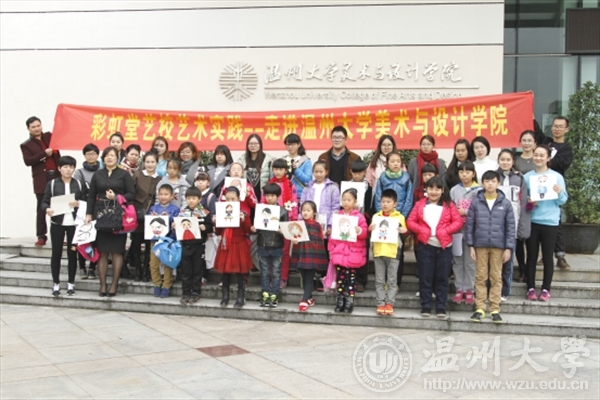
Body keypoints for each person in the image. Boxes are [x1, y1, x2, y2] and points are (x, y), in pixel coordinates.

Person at [407, 176, 463, 320]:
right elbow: (410, 221)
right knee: (425, 277)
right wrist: (422, 230)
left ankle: (441, 306)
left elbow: (458, 222)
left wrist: (445, 231)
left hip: (444, 247)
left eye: (437, 189)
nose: (434, 191)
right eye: (431, 188)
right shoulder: (420, 204)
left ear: (443, 190)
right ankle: (425, 305)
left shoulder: (449, 205)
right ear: (426, 189)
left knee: (442, 278)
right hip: (425, 245)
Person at [85, 147, 135, 297]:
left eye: (112, 155)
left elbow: (131, 194)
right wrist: (88, 214)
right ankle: (102, 285)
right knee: (102, 251)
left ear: (117, 157)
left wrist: (117, 198)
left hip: (118, 215)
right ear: (103, 158)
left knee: (117, 251)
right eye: (107, 155)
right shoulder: (98, 174)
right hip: (100, 214)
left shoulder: (124, 174)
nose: (109, 158)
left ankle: (114, 285)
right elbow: (91, 196)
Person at [467, 171, 515, 324]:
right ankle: (480, 307)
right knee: (480, 276)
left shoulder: (505, 203)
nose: (490, 184)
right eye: (487, 181)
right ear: (482, 183)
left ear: (498, 183)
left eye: (493, 181)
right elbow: (470, 225)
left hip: (498, 246)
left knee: (496, 277)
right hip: (480, 245)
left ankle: (495, 308)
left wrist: (508, 247)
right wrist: (471, 245)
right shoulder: (476, 202)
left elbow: (510, 227)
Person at [524, 145, 568, 302]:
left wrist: (559, 192)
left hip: (550, 222)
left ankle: (545, 289)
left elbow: (563, 200)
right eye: (536, 155)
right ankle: (530, 288)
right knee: (531, 256)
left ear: (548, 158)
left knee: (548, 257)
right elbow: (524, 204)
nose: (538, 158)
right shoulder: (527, 177)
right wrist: (530, 203)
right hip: (533, 221)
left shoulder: (556, 177)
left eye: (542, 155)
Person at [41, 156, 86, 296]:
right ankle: (56, 283)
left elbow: (86, 200)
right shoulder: (52, 184)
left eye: (71, 167)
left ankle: (71, 282)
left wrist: (79, 203)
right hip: (57, 223)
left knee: (73, 253)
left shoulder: (79, 184)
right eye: (65, 167)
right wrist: (47, 209)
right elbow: (44, 201)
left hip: (74, 224)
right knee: (56, 253)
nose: (68, 170)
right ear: (59, 169)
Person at [20, 116, 61, 246]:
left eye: (38, 125)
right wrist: (44, 154)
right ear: (28, 129)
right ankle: (41, 236)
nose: (37, 129)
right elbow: (28, 161)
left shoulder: (49, 137)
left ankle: (59, 236)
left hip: (56, 175)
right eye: (33, 127)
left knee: (59, 206)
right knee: (42, 207)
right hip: (41, 179)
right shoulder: (26, 145)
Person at [374, 152, 413, 288]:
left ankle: (396, 282)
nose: (395, 164)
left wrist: (402, 216)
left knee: (398, 251)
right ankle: (383, 280)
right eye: (392, 161)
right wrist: (380, 214)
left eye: (398, 161)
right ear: (387, 163)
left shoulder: (406, 178)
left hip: (398, 217)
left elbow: (409, 198)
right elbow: (378, 196)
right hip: (384, 219)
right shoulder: (382, 178)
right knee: (383, 249)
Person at [496, 149, 530, 301]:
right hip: (495, 226)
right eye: (502, 159)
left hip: (512, 225)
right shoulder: (493, 177)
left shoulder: (519, 179)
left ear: (512, 161)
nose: (505, 162)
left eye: (508, 160)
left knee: (508, 261)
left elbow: (524, 204)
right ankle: (494, 288)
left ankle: (505, 290)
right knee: (494, 261)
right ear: (498, 161)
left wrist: (523, 228)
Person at [329, 188, 368, 314]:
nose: (346, 202)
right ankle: (340, 301)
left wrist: (359, 231)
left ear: (355, 201)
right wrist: (331, 249)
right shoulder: (338, 216)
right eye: (344, 199)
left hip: (353, 253)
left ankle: (349, 301)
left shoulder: (359, 217)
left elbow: (365, 233)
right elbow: (332, 237)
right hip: (340, 253)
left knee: (351, 279)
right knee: (340, 279)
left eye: (349, 200)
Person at [369, 189, 408, 316]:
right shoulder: (376, 217)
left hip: (393, 253)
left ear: (395, 203)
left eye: (388, 202)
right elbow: (371, 233)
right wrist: (370, 229)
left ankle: (390, 303)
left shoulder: (399, 217)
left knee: (392, 280)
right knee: (379, 280)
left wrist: (404, 231)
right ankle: (380, 303)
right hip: (378, 252)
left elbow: (404, 234)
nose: (385, 204)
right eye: (383, 201)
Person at [214, 186, 253, 308]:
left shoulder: (243, 212)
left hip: (239, 244)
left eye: (233, 199)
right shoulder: (222, 211)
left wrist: (244, 220)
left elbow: (248, 230)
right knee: (225, 272)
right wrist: (216, 222)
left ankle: (241, 296)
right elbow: (218, 232)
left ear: (238, 199)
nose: (230, 201)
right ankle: (225, 296)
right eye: (227, 199)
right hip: (225, 244)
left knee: (240, 272)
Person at [251, 183, 288, 308]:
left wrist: (282, 231)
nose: (270, 198)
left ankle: (274, 295)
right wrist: (254, 228)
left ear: (278, 196)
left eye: (272, 195)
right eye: (267, 195)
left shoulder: (282, 211)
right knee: (264, 271)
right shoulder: (260, 210)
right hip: (263, 244)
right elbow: (256, 229)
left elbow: (287, 230)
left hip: (277, 246)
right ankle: (265, 293)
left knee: (276, 272)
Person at [264, 159, 299, 288]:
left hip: (285, 221)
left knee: (284, 252)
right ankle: (271, 276)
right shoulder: (269, 185)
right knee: (270, 250)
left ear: (286, 170)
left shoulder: (290, 185)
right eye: (276, 169)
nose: (278, 172)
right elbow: (263, 202)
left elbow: (294, 204)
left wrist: (292, 221)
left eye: (281, 169)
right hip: (270, 221)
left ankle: (283, 277)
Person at [449, 160, 480, 305]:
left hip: (472, 231)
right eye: (461, 172)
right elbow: (450, 208)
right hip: (457, 231)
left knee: (470, 261)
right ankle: (459, 288)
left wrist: (465, 212)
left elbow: (480, 210)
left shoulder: (479, 190)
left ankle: (469, 289)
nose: (464, 175)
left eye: (468, 172)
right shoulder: (454, 190)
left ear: (473, 174)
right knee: (458, 260)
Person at [129, 151, 161, 282]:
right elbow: (131, 193)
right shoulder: (137, 175)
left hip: (152, 214)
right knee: (136, 242)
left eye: (152, 162)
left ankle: (147, 270)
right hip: (137, 213)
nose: (150, 164)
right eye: (147, 162)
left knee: (150, 244)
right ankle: (138, 269)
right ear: (144, 163)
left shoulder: (160, 178)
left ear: (157, 163)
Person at [178, 187, 213, 305]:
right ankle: (185, 293)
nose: (191, 201)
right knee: (185, 271)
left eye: (193, 198)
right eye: (188, 198)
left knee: (197, 270)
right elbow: (179, 227)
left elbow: (210, 227)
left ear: (199, 199)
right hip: (186, 245)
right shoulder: (183, 213)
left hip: (198, 245)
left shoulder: (204, 212)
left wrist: (205, 227)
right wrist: (174, 226)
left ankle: (196, 293)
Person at [292, 201, 328, 312]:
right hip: (300, 253)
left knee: (308, 277)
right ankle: (310, 298)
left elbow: (320, 240)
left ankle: (304, 300)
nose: (305, 212)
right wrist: (294, 240)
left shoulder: (317, 225)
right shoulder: (298, 224)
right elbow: (294, 237)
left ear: (314, 212)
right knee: (303, 276)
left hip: (312, 254)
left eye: (308, 210)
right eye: (303, 210)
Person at [548, 116, 574, 270]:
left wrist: (545, 160)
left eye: (560, 126)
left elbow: (560, 163)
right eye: (555, 126)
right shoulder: (546, 143)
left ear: (566, 129)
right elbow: (535, 132)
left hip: (555, 187)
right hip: (539, 185)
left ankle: (560, 255)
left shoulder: (567, 148)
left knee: (555, 221)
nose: (557, 129)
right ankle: (545, 254)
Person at [147, 184, 180, 298]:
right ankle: (157, 283)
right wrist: (153, 216)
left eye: (166, 194)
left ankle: (167, 285)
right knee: (153, 263)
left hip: (168, 240)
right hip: (155, 240)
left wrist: (169, 217)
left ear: (172, 196)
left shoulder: (175, 209)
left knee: (167, 263)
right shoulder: (153, 208)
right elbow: (148, 222)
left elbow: (177, 223)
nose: (163, 197)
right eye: (161, 194)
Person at [73, 143, 101, 279]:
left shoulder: (101, 171)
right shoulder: (79, 172)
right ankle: (82, 267)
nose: (91, 156)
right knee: (83, 238)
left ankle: (92, 267)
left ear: (97, 155)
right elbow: (77, 190)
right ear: (84, 156)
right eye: (88, 154)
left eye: (93, 153)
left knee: (95, 239)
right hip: (83, 208)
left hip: (99, 207)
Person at [299, 160, 340, 241]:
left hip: (325, 224)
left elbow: (335, 208)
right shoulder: (307, 188)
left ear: (326, 172)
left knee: (322, 245)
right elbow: (302, 206)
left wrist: (330, 225)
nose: (318, 174)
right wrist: (300, 220)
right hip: (308, 224)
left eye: (321, 172)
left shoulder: (333, 188)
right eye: (316, 172)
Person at [349, 159, 373, 293]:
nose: (357, 176)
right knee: (349, 251)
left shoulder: (368, 187)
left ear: (364, 172)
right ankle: (349, 279)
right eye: (355, 173)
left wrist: (367, 216)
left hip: (363, 223)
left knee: (362, 251)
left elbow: (371, 204)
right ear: (351, 172)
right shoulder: (347, 186)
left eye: (360, 173)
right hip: (348, 221)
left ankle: (361, 280)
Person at [238, 134, 274, 200]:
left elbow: (272, 178)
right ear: (247, 145)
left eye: (255, 143)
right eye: (251, 143)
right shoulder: (242, 159)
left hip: (263, 195)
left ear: (260, 145)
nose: (253, 145)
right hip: (246, 196)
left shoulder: (268, 159)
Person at [195, 172, 217, 279]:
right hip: (195, 229)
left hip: (205, 228)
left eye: (203, 180)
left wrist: (210, 228)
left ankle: (204, 276)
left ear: (208, 183)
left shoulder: (211, 196)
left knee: (206, 254)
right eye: (198, 180)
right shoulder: (193, 194)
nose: (200, 182)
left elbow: (213, 212)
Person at [282, 133, 312, 199]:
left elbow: (308, 181)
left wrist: (296, 170)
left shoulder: (306, 161)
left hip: (300, 196)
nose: (290, 147)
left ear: (299, 144)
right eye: (288, 144)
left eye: (292, 144)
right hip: (284, 196)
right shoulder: (283, 160)